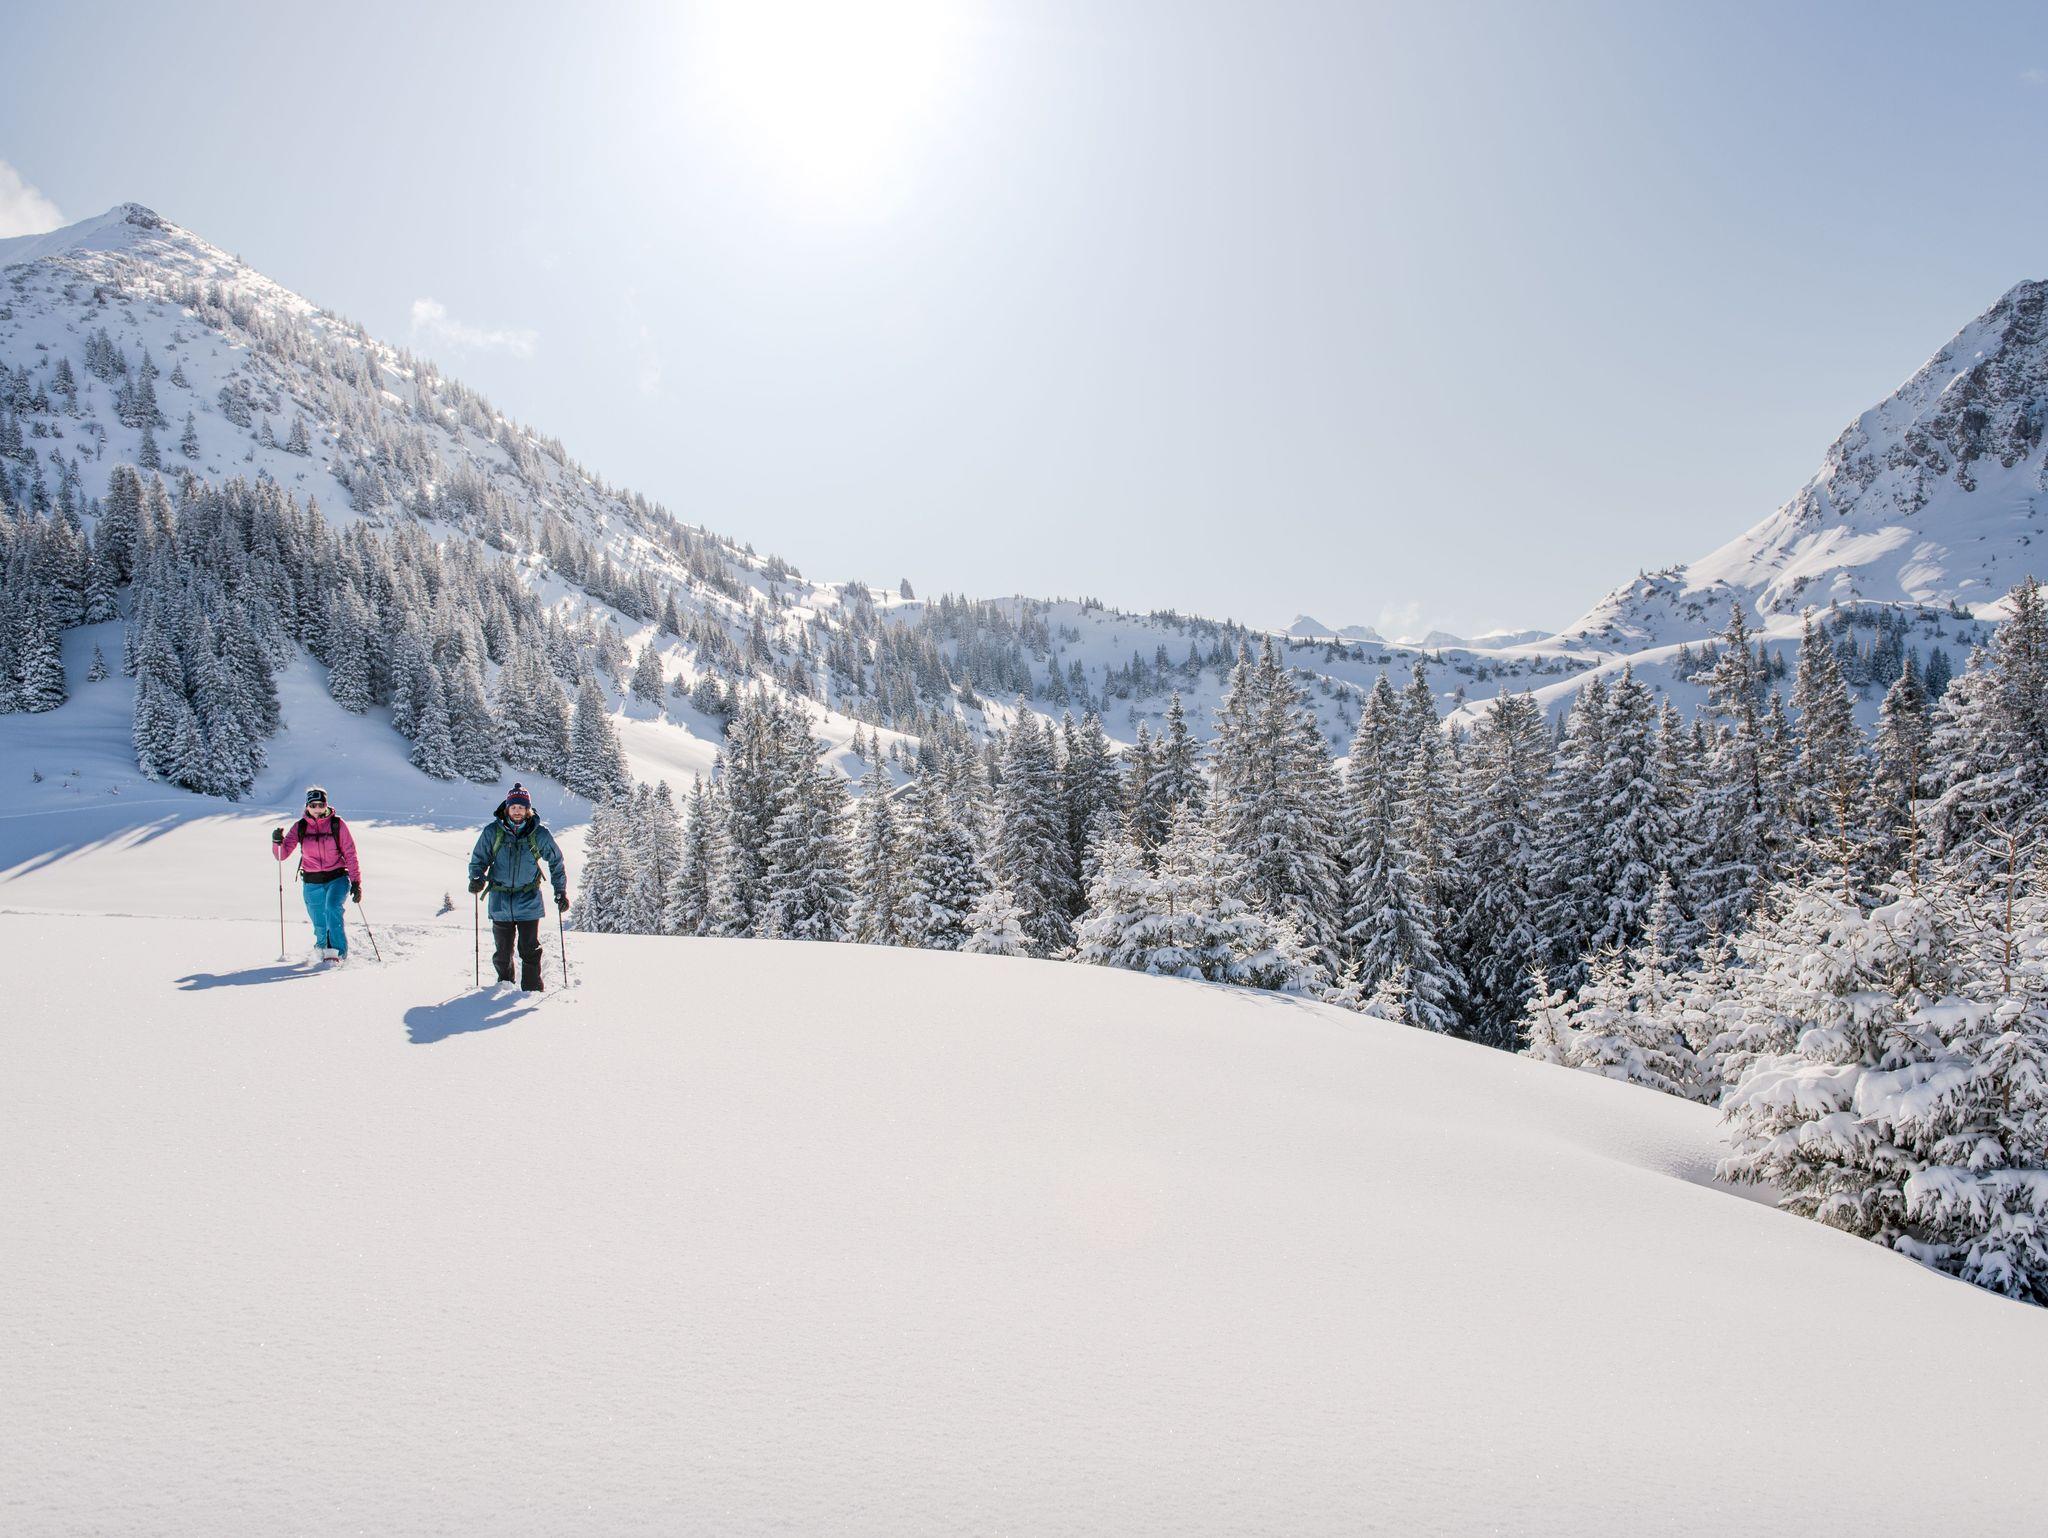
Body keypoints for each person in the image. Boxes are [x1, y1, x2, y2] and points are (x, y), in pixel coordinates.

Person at [467, 783, 570, 991]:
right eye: (513, 807)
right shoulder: (492, 832)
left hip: (528, 898)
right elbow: (479, 858)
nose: (517, 811)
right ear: (507, 808)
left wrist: (560, 891)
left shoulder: (538, 834)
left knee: (530, 949)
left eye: (521, 807)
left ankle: (532, 990)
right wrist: (477, 877)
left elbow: (556, 861)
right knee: (502, 952)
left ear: (527, 809)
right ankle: (504, 986)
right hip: (500, 899)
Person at [273, 787, 362, 961]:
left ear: (326, 805)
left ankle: (337, 954)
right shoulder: (300, 827)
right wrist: (277, 842)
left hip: (337, 878)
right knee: (320, 924)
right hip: (312, 882)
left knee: (332, 909)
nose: (317, 808)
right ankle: (321, 951)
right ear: (307, 806)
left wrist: (356, 882)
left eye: (321, 804)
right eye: (313, 805)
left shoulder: (337, 824)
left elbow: (350, 854)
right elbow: (281, 855)